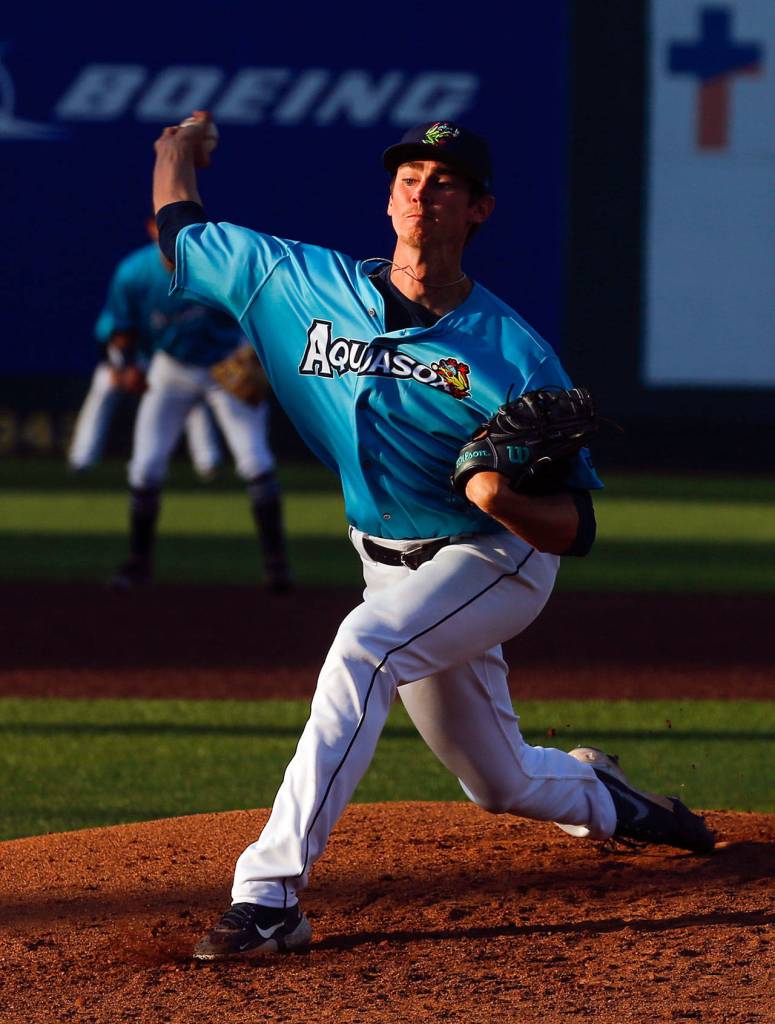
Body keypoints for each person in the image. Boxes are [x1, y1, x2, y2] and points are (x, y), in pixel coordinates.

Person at [151, 114, 714, 959]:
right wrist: (174, 150)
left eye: (445, 182)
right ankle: (606, 798)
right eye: (409, 178)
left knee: (362, 647)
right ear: (387, 201)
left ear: (477, 210)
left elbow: (574, 526)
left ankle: (268, 896)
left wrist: (498, 495)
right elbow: (181, 232)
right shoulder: (293, 281)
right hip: (388, 565)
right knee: (501, 782)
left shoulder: (515, 357)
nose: (423, 193)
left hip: (494, 559)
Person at [103, 216, 292, 592]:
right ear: (151, 230)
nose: (170, 235)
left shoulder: (215, 270)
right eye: (162, 227)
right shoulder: (135, 272)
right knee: (145, 466)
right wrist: (125, 367)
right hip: (170, 368)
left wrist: (257, 352)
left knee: (255, 460)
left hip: (225, 366)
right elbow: (120, 327)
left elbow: (261, 312)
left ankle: (277, 565)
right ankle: (138, 563)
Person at [68, 332, 223, 479]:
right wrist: (121, 366)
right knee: (103, 382)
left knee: (190, 388)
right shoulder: (128, 306)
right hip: (132, 362)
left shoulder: (183, 307)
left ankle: (208, 461)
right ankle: (82, 458)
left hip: (170, 362)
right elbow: (114, 332)